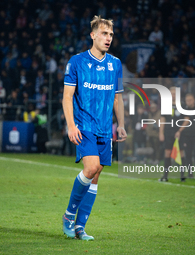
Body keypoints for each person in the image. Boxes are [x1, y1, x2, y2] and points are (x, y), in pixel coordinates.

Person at [62, 15, 127, 241]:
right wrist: (71, 125)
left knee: (96, 174)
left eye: (111, 34)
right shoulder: (77, 62)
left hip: (104, 129)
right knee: (91, 168)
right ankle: (69, 214)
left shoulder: (115, 64)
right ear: (93, 35)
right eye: (104, 34)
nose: (108, 38)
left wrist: (121, 125)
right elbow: (67, 97)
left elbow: (118, 99)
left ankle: (80, 227)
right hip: (84, 126)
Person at [158, 87, 190, 182]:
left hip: (179, 133)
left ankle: (182, 176)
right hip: (168, 132)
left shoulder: (183, 105)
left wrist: (179, 131)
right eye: (171, 94)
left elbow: (187, 120)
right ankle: (165, 176)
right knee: (167, 152)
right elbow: (163, 119)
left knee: (181, 153)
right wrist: (161, 133)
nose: (173, 95)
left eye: (175, 94)